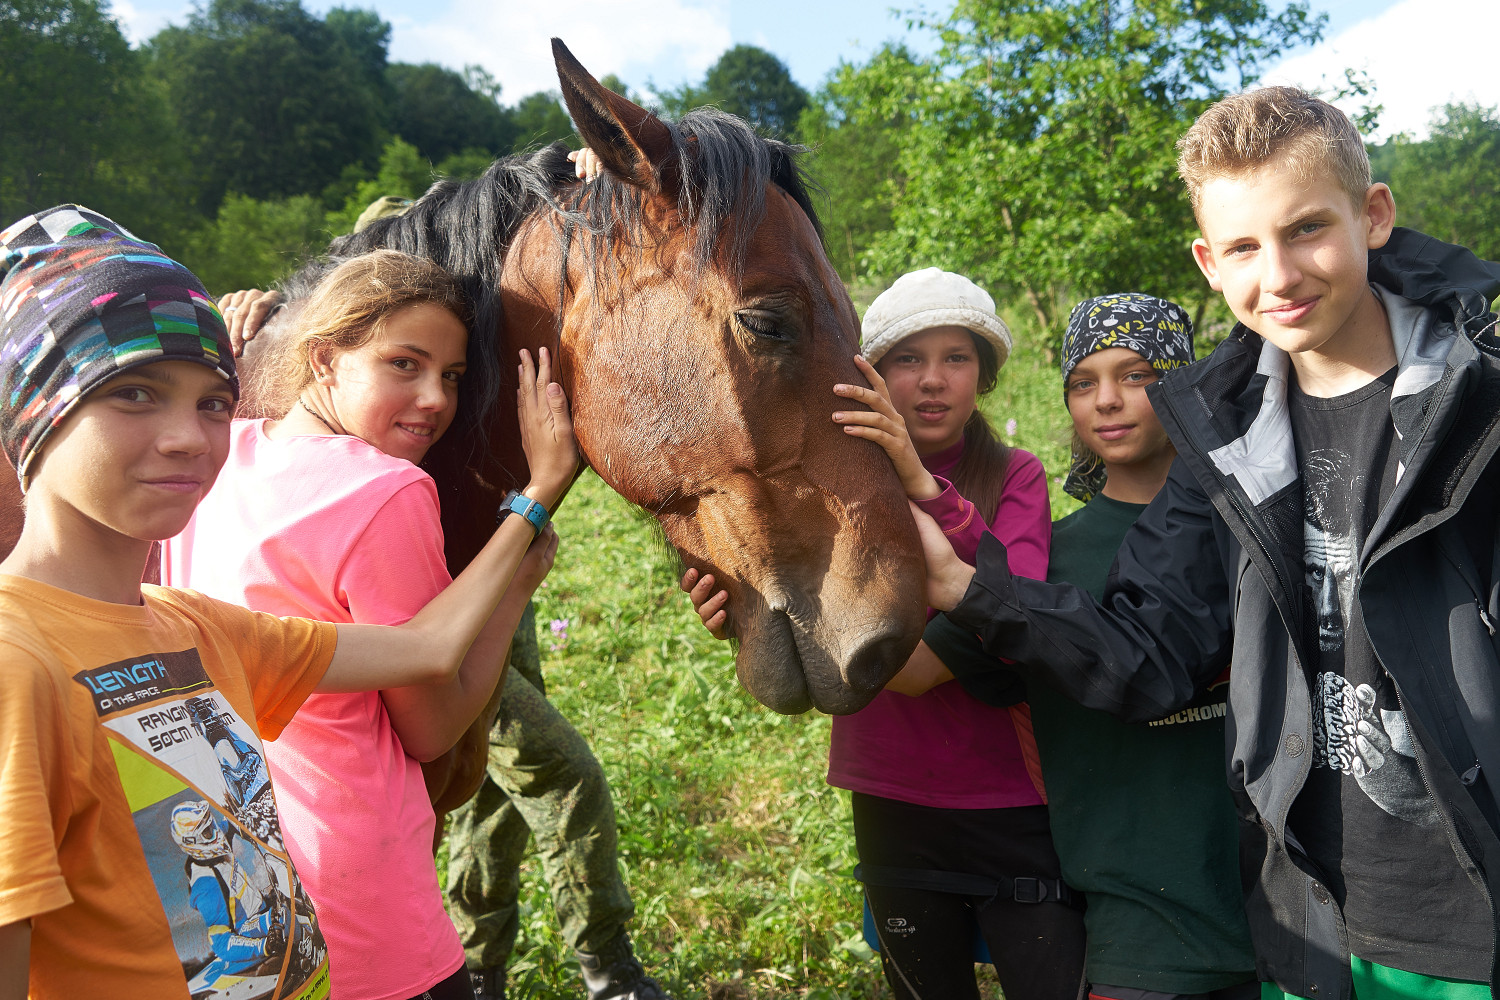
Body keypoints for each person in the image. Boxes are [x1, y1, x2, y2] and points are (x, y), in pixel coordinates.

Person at [906, 88, 1500, 999]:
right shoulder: (1225, 441)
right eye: (1242, 248)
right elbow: (1145, 656)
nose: (1280, 275)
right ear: (1208, 264)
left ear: (1372, 214)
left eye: (1306, 229)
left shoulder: (1482, 395)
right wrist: (967, 584)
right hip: (1314, 926)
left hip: (1477, 918)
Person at [0, 205, 578, 1000]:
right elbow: (431, 716)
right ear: (36, 415)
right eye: (134, 392)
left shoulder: (194, 625)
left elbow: (426, 648)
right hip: (381, 929)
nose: (188, 438)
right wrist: (535, 502)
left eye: (210, 402)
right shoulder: (16, 664)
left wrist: (534, 509)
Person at [161, 249, 561, 1000]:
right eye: (403, 364)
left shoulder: (226, 458)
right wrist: (535, 509)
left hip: (242, 894)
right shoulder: (386, 490)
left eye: (450, 376)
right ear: (324, 359)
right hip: (364, 899)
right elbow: (431, 728)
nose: (435, 398)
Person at [687, 267, 1086, 1000]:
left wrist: (920, 482)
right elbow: (814, 615)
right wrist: (743, 614)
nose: (933, 381)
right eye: (909, 359)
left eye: (957, 358)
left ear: (985, 377)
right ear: (868, 373)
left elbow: (1017, 610)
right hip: (891, 796)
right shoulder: (835, 487)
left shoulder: (1014, 476)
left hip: (1011, 800)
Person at [924, 293, 1258, 998]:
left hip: (1291, 929)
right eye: (1084, 382)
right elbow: (901, 669)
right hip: (1138, 940)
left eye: (1137, 375)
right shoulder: (1041, 563)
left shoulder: (1255, 535)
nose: (1107, 400)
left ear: (1184, 386)